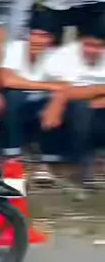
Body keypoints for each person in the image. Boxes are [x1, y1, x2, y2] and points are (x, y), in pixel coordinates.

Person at [40, 17, 105, 188]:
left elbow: (71, 92)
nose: (93, 51)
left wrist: (91, 94)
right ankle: (81, 165)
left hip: (98, 111)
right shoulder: (65, 55)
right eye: (88, 45)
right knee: (81, 109)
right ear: (81, 42)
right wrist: (97, 92)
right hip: (67, 112)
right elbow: (63, 91)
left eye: (99, 47)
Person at [0, 9, 63, 179]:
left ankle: (46, 161)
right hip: (19, 100)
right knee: (13, 96)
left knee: (55, 102)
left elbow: (63, 86)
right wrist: (48, 86)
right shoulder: (15, 47)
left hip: (43, 101)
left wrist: (50, 89)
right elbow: (7, 80)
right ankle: (12, 155)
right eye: (34, 34)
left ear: (51, 39)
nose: (37, 40)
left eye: (43, 36)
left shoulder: (57, 54)